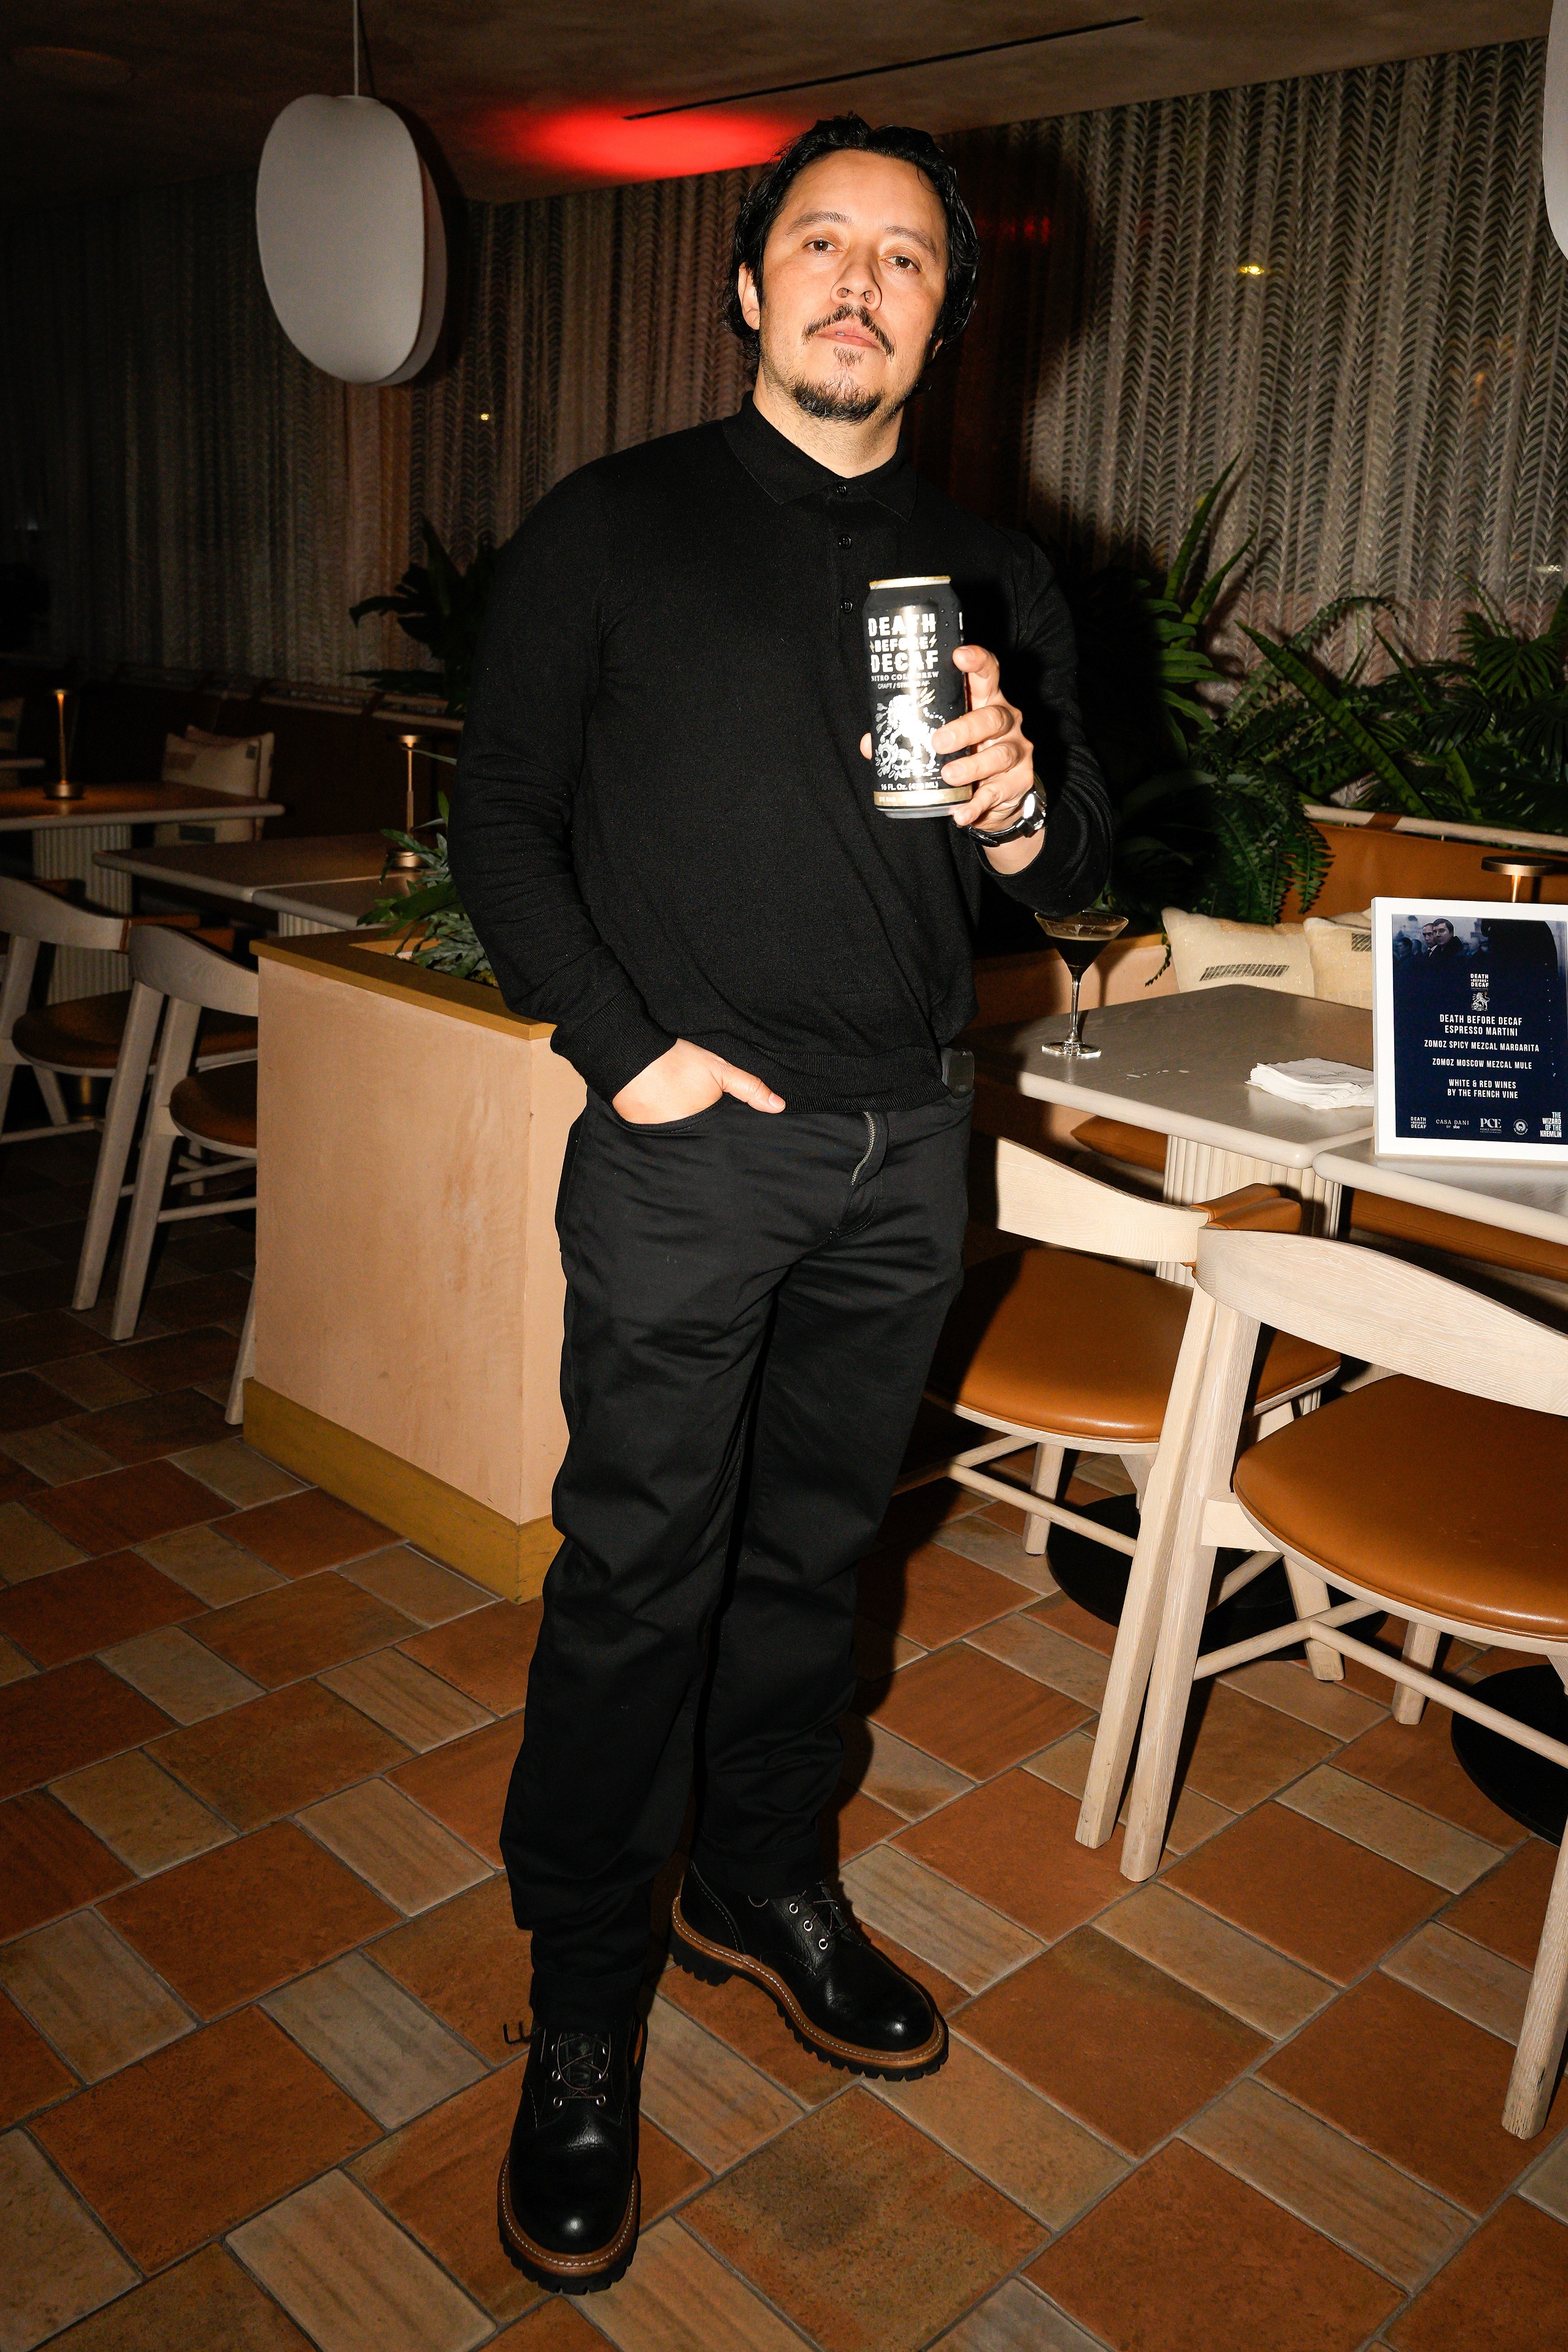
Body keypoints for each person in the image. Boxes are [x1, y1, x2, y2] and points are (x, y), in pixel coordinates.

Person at [449, 112, 1111, 2296]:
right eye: (821, 241)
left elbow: (1083, 873)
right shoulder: (612, 525)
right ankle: (583, 1999)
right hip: (689, 1154)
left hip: (906, 1149)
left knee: (818, 1562)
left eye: (904, 257)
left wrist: (1020, 806)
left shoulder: (993, 574)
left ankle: (757, 1878)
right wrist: (622, 1048)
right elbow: (505, 821)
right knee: (639, 1579)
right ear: (749, 289)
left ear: (947, 315)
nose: (858, 280)